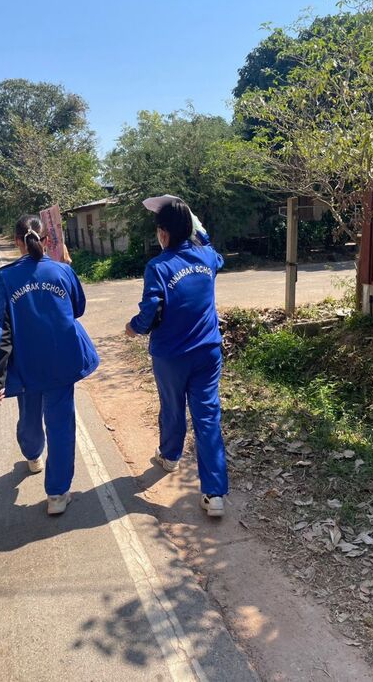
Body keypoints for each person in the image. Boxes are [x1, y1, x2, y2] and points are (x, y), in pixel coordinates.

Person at [0, 214, 99, 515]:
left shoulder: (7, 278)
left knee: (29, 415)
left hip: (26, 363)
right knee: (61, 425)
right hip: (62, 360)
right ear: (47, 240)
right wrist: (64, 270)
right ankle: (58, 494)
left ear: (16, 242)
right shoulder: (62, 271)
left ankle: (33, 454)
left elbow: (1, 331)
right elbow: (78, 308)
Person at [125, 196, 228, 517]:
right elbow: (213, 249)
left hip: (171, 356)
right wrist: (196, 225)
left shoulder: (158, 266)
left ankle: (170, 457)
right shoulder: (208, 258)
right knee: (207, 417)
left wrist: (133, 327)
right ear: (190, 229)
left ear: (163, 233)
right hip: (208, 352)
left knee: (172, 408)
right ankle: (214, 495)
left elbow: (151, 310)